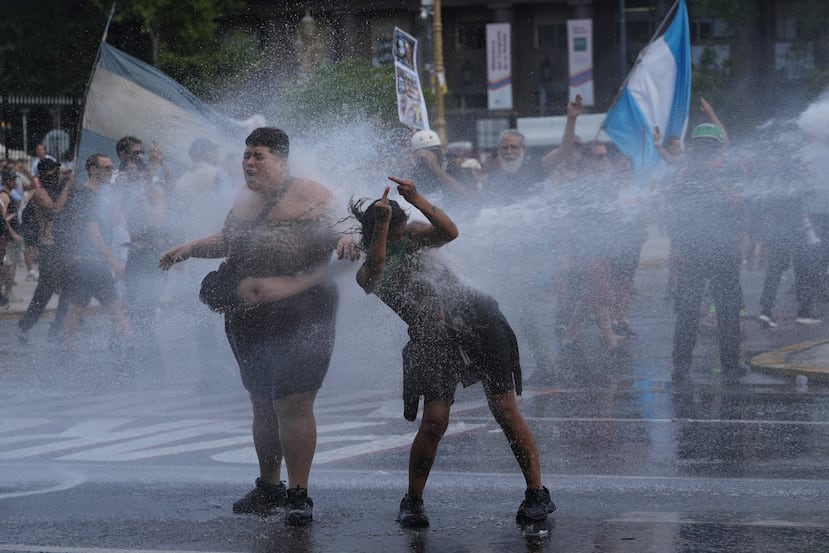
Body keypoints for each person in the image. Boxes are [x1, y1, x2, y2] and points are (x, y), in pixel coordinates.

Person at [159, 127, 356, 526]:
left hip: (304, 312)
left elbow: (349, 232)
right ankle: (269, 487)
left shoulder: (312, 196)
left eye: (258, 156)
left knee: (292, 401)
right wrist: (189, 249)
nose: (248, 162)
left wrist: (345, 242)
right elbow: (229, 241)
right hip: (248, 315)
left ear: (282, 160)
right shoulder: (244, 200)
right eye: (246, 155)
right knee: (262, 402)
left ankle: (299, 494)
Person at [350, 176, 555, 528]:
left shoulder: (414, 237)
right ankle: (413, 501)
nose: (403, 238)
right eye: (393, 234)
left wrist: (415, 197)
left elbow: (450, 232)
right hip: (433, 337)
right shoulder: (368, 269)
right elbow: (377, 271)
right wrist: (383, 228)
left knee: (505, 409)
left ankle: (537, 493)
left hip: (480, 322)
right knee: (434, 422)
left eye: (401, 232)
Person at [666, 123, 745, 385]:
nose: (704, 151)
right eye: (700, 146)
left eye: (709, 146)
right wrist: (676, 246)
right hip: (694, 251)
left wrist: (714, 179)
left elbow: (738, 203)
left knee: (728, 310)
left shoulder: (729, 170)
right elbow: (671, 208)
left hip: (725, 250)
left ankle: (731, 363)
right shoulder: (685, 175)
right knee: (689, 309)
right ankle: (680, 365)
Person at [61, 154, 130, 349]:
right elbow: (93, 233)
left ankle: (69, 351)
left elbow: (114, 221)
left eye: (111, 168)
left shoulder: (102, 195)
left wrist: (119, 192)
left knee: (76, 308)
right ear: (92, 169)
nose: (111, 172)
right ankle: (133, 351)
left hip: (89, 262)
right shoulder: (84, 195)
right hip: (91, 262)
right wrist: (112, 261)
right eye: (106, 168)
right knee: (116, 309)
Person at [17, 158, 74, 343]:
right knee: (45, 291)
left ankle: (58, 327)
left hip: (63, 245)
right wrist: (66, 187)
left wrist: (69, 184)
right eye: (51, 171)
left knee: (68, 289)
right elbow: (55, 209)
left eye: (56, 170)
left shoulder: (60, 188)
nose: (55, 174)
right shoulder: (40, 192)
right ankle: (25, 326)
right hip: (49, 247)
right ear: (43, 174)